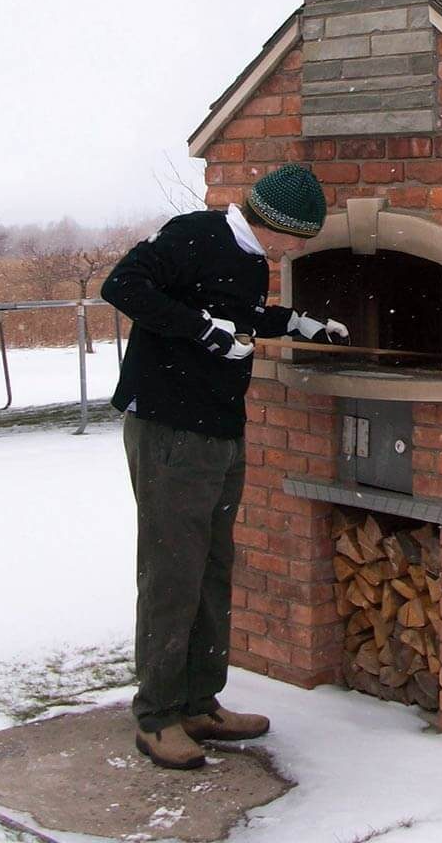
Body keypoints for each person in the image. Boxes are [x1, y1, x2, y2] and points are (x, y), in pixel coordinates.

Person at [102, 163, 347, 770]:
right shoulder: (194, 234)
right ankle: (157, 715)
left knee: (212, 566)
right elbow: (123, 286)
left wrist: (295, 323)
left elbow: (235, 316)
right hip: (168, 428)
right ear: (278, 223)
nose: (296, 250)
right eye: (297, 237)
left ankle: (198, 702)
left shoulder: (246, 256)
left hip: (218, 429)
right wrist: (202, 330)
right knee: (171, 572)